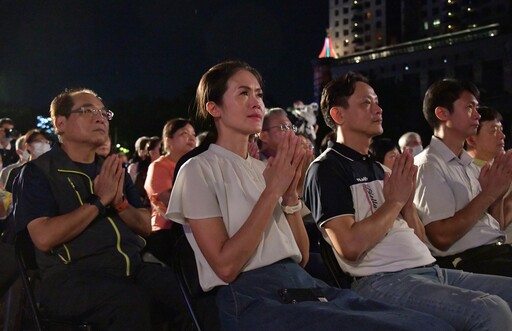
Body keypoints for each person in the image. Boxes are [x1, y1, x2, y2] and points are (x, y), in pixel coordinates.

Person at [166, 60, 455, 331]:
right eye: (243, 93)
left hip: (300, 285)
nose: (256, 102)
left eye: (258, 93)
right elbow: (226, 267)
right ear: (214, 108)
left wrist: (290, 197)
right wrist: (272, 193)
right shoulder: (198, 170)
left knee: (432, 323)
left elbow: (302, 256)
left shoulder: (263, 168)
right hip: (252, 298)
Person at [303, 71, 512, 330]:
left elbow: (419, 239)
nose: (378, 109)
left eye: (377, 102)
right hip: (382, 280)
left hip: (429, 269)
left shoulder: (382, 170)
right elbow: (350, 247)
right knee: (490, 311)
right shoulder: (327, 168)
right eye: (366, 103)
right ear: (338, 115)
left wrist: (407, 205)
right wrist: (394, 203)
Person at [13, 88, 191, 330]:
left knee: (189, 294)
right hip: (71, 277)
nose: (100, 117)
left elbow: (145, 226)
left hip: (131, 267)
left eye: (103, 112)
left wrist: (119, 203)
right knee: (132, 304)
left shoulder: (112, 168)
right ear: (60, 123)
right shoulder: (39, 172)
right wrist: (98, 201)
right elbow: (43, 237)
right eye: (87, 111)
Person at [414, 79, 512, 276]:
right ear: (442, 113)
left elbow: (494, 227)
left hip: (495, 251)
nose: (477, 115)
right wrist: (489, 194)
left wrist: (498, 193)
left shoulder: (468, 164)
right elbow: (441, 237)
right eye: (469, 107)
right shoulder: (428, 165)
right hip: (468, 263)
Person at [144, 119, 195, 265]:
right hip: (167, 231)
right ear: (169, 141)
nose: (191, 137)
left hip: (193, 229)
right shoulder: (159, 166)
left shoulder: (194, 166)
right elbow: (168, 198)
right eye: (184, 133)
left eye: (193, 134)